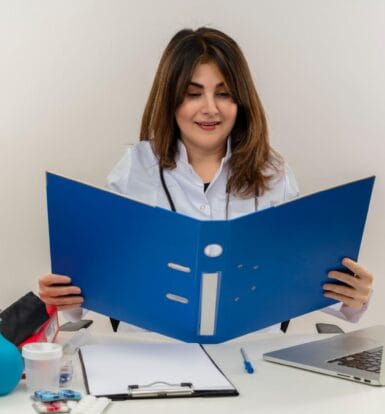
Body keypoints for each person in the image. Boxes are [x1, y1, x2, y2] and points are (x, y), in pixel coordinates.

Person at [38, 27, 373, 332]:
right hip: (151, 353)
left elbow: (301, 272)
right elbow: (106, 274)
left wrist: (354, 296)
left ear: (241, 101)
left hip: (252, 355)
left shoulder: (273, 171)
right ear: (171, 100)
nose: (210, 108)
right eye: (193, 93)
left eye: (224, 93)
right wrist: (68, 295)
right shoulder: (135, 167)